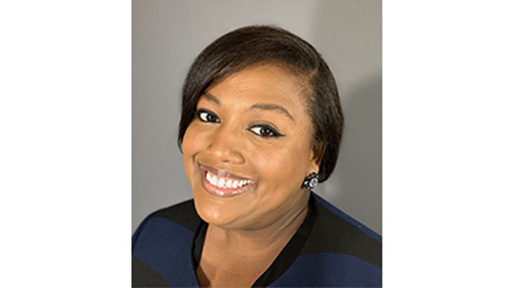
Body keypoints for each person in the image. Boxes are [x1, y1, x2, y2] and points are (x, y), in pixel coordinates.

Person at [132, 25, 382, 287]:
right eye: (209, 116)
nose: (218, 150)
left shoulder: (371, 275)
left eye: (263, 130)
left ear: (315, 154)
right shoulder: (155, 234)